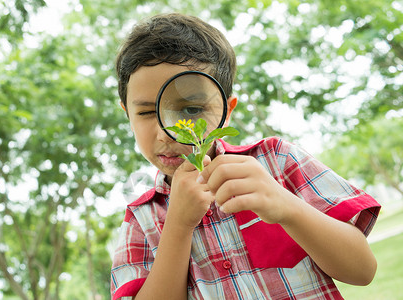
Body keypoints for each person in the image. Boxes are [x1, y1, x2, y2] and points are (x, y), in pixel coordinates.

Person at [110, 13, 381, 300]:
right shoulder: (142, 220)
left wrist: (285, 206)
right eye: (147, 113)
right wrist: (178, 225)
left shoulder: (277, 161)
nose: (167, 132)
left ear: (226, 112)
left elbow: (362, 271)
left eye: (191, 110)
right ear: (127, 115)